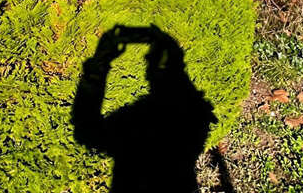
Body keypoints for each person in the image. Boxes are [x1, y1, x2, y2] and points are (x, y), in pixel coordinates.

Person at [71, 25, 218, 193]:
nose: (146, 63)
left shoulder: (139, 123)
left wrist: (99, 66)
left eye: (149, 59)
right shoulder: (195, 118)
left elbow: (88, 132)